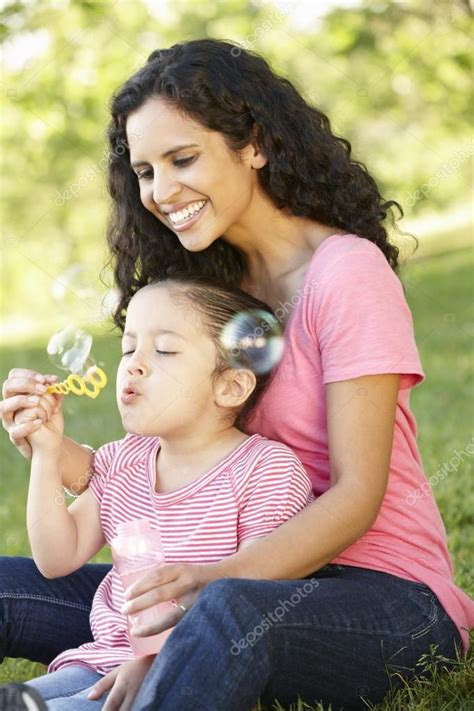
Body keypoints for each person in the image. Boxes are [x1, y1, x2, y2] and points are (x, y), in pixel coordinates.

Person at [1, 38, 472, 710]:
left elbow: (357, 493)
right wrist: (50, 447)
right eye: (144, 171)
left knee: (226, 612)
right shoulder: (209, 288)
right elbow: (151, 470)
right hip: (219, 566)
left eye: (181, 159)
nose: (161, 191)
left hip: (380, 594)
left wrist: (201, 597)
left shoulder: (346, 273)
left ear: (254, 143)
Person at [17, 276, 315, 710]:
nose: (134, 364)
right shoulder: (126, 460)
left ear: (231, 386)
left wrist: (163, 660)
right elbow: (56, 557)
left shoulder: (265, 471)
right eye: (128, 348)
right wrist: (46, 452)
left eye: (165, 351)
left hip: (195, 669)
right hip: (99, 665)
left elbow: (253, 603)